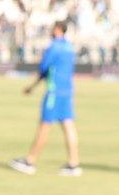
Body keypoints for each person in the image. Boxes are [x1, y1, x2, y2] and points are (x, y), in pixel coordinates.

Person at [9, 21, 81, 176]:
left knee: (45, 125)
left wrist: (32, 86)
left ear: (57, 29)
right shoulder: (69, 47)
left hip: (54, 91)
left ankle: (30, 161)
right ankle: (74, 163)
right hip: (67, 91)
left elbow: (44, 68)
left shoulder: (54, 46)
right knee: (68, 125)